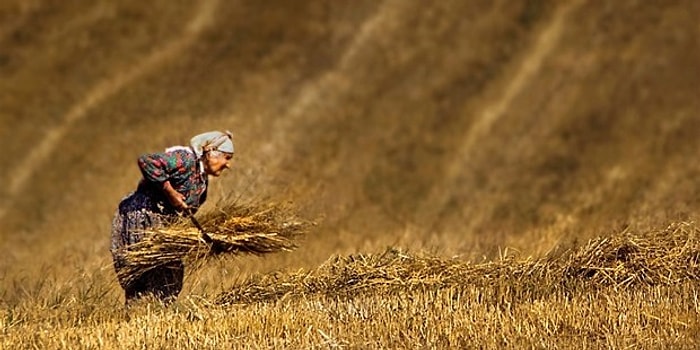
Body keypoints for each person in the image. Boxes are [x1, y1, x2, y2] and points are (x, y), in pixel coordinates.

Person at [110, 130, 234, 305]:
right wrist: (170, 192)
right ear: (210, 152)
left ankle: (152, 314)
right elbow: (147, 161)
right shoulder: (185, 159)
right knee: (148, 273)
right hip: (143, 216)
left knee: (168, 277)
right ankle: (140, 313)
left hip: (163, 223)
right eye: (226, 158)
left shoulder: (202, 181)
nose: (228, 165)